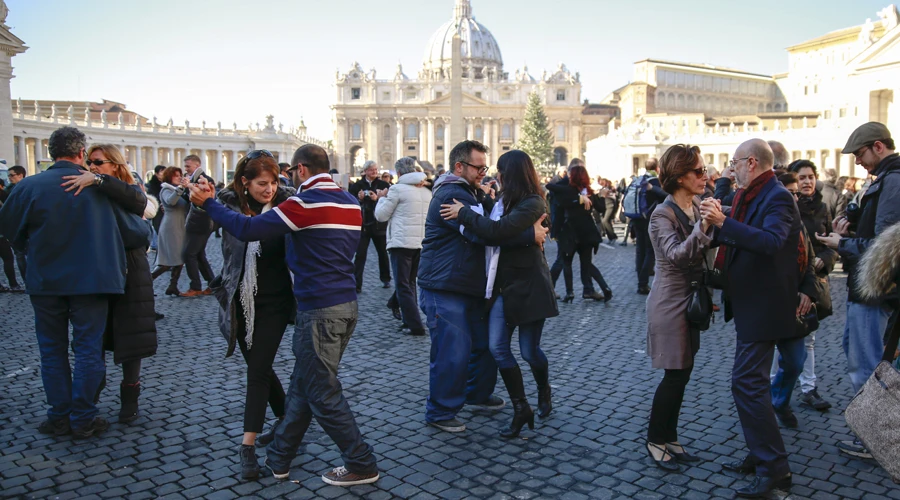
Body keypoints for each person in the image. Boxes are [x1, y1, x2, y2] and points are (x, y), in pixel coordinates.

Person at [189, 144, 379, 486]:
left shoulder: (305, 203)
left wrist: (209, 203)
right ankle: (279, 457)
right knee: (302, 387)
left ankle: (360, 462)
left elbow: (247, 230)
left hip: (318, 308)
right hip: (346, 305)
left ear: (301, 170)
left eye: (291, 173)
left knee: (322, 392)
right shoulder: (350, 201)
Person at [0, 126, 148, 439]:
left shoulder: (28, 186)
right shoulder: (99, 189)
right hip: (93, 281)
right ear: (81, 153)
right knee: (87, 350)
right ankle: (83, 417)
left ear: (51, 153)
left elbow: (10, 229)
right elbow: (137, 231)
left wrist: (33, 249)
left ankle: (58, 416)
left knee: (51, 351)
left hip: (46, 281)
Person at [417, 140, 547, 433]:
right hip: (445, 284)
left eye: (486, 168)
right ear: (459, 166)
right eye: (479, 167)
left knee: (484, 346)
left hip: (470, 285)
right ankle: (440, 411)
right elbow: (485, 235)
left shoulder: (472, 193)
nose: (484, 173)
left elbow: (492, 221)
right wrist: (530, 234)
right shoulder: (450, 195)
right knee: (452, 351)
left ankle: (477, 393)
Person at [700, 139, 802, 497]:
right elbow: (744, 224)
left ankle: (775, 467)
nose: (732, 168)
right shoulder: (753, 194)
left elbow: (771, 241)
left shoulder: (776, 196)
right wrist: (722, 210)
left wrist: (723, 219)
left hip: (766, 304)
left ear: (753, 162)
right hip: (751, 302)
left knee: (747, 383)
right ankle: (762, 456)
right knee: (749, 384)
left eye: (736, 163)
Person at [816, 122, 900, 459]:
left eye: (861, 154)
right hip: (880, 290)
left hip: (875, 290)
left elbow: (884, 247)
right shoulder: (886, 179)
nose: (858, 162)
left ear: (879, 147)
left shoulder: (892, 180)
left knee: (866, 365)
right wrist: (851, 218)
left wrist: (843, 242)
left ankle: (878, 442)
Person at [209, 151, 294, 480]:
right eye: (262, 183)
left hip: (276, 301)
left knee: (257, 370)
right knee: (260, 366)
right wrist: (196, 200)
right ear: (244, 182)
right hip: (238, 299)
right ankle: (288, 420)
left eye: (274, 182)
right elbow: (197, 227)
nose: (270, 189)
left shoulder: (289, 205)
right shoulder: (227, 205)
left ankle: (247, 446)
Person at [60, 144, 159, 424]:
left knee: (131, 335)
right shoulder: (87, 187)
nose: (92, 167)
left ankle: (130, 399)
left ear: (115, 165)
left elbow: (142, 204)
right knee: (95, 336)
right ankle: (91, 394)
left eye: (99, 162)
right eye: (89, 163)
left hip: (130, 268)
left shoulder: (126, 189)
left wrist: (100, 180)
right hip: (97, 267)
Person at [644, 144, 713, 472]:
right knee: (674, 375)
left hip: (692, 300)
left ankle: (670, 437)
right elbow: (677, 255)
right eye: (698, 171)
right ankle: (655, 440)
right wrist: (705, 228)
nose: (705, 176)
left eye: (704, 169)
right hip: (670, 301)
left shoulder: (698, 203)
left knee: (683, 373)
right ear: (678, 176)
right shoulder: (662, 214)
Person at [766, 171, 819, 430]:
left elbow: (809, 261)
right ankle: (762, 412)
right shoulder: (764, 219)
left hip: (794, 305)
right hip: (767, 303)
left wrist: (808, 291)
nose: (795, 198)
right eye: (790, 193)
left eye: (796, 193)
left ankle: (779, 399)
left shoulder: (800, 225)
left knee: (795, 361)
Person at [784, 160, 837, 411]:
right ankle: (774, 385)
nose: (807, 182)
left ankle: (808, 388)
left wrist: (822, 260)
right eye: (801, 178)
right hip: (789, 281)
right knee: (780, 336)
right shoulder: (785, 206)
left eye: (810, 177)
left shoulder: (823, 207)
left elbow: (830, 244)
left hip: (814, 280)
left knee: (810, 337)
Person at [374, 157, 431, 336]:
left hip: (401, 243)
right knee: (410, 283)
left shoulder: (396, 190)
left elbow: (381, 216)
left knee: (402, 285)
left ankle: (415, 325)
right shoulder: (426, 191)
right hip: (420, 243)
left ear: (398, 173)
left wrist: (381, 199)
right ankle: (408, 319)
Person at [546, 165, 613, 302]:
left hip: (571, 233)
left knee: (567, 263)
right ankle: (602, 287)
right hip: (586, 233)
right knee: (585, 264)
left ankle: (570, 292)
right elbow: (600, 208)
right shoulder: (585, 191)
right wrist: (589, 197)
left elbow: (551, 187)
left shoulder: (570, 190)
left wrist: (598, 196)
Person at [349, 160, 392, 291]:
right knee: (360, 254)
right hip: (363, 224)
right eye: (372, 170)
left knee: (383, 254)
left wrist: (378, 198)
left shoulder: (384, 185)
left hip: (379, 224)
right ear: (365, 171)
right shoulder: (357, 185)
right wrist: (359, 198)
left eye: (376, 169)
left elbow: (390, 202)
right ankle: (357, 283)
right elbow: (350, 200)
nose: (374, 172)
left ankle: (386, 279)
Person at [180, 154, 216, 296]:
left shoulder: (204, 180)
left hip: (201, 222)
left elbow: (197, 200)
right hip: (198, 221)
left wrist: (187, 187)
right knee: (199, 255)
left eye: (188, 166)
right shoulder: (194, 179)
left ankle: (195, 286)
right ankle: (212, 284)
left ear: (197, 166)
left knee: (189, 254)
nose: (186, 169)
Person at [152, 167, 188, 296]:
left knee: (180, 258)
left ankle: (173, 286)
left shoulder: (176, 190)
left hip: (179, 226)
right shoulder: (166, 189)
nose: (179, 177)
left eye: (180, 175)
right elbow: (170, 201)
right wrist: (180, 189)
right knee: (168, 260)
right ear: (169, 177)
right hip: (171, 227)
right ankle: (148, 281)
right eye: (176, 175)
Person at [634, 158, 667, 295]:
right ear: (657, 168)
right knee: (650, 251)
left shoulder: (638, 179)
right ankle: (643, 283)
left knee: (640, 250)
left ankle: (640, 281)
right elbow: (665, 196)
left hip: (637, 218)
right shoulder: (653, 181)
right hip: (649, 219)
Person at [6, 165, 27, 279]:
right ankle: (27, 280)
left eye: (12, 175)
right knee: (19, 255)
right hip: (15, 227)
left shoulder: (27, 187)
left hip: (26, 226)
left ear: (20, 175)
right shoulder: (7, 190)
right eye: (8, 175)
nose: (9, 178)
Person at [146, 165, 166, 252]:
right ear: (157, 174)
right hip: (158, 212)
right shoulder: (152, 185)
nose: (163, 174)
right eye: (162, 172)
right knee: (159, 231)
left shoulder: (166, 183)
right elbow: (152, 197)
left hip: (166, 212)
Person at [598, 178, 618, 243]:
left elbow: (613, 197)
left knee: (605, 221)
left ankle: (613, 236)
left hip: (610, 206)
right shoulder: (603, 189)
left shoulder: (608, 189)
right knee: (606, 222)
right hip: (605, 206)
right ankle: (611, 237)